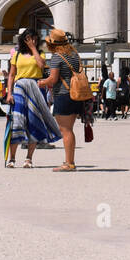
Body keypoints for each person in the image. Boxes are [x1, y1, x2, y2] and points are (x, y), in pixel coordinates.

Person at [4, 28, 61, 168]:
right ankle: (12, 159)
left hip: (35, 87)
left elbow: (41, 66)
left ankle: (29, 158)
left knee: (34, 122)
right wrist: (9, 93)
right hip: (19, 88)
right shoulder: (16, 55)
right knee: (17, 122)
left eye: (35, 39)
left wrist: (33, 49)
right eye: (30, 39)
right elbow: (11, 75)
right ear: (24, 40)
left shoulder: (40, 53)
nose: (33, 41)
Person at [38, 29, 85, 171]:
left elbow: (53, 79)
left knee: (65, 130)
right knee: (69, 129)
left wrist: (41, 83)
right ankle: (70, 161)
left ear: (53, 44)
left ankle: (69, 163)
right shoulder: (74, 55)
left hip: (64, 95)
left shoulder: (57, 57)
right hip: (75, 95)